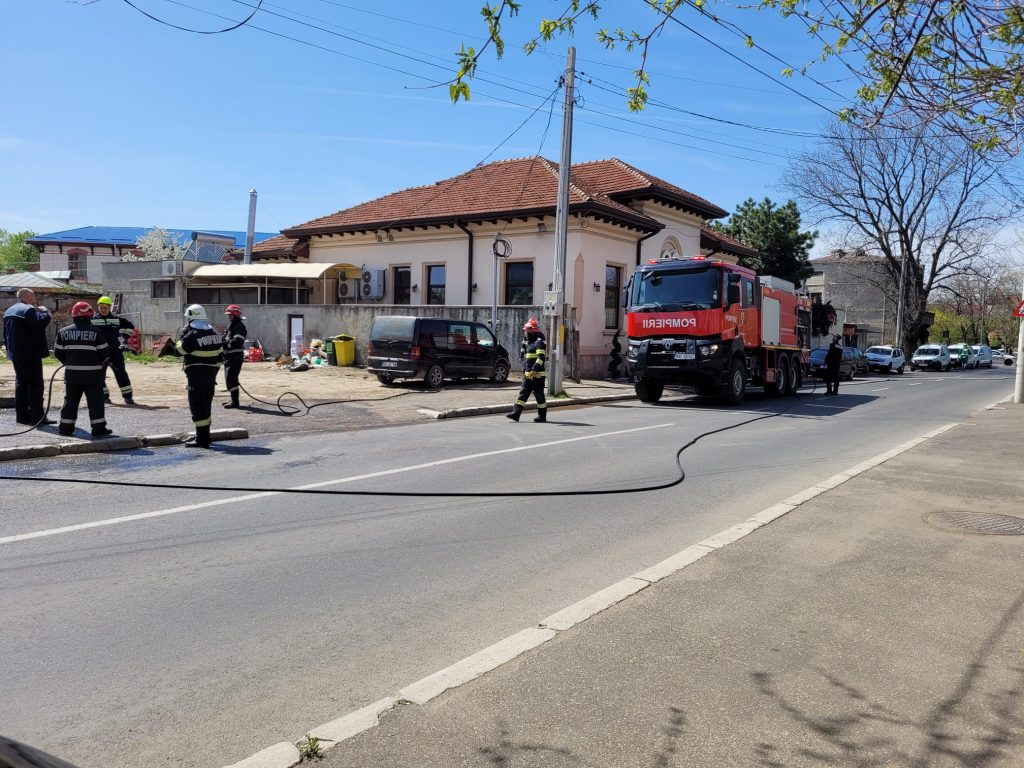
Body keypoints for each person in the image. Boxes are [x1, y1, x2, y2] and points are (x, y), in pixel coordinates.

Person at [53, 301, 111, 437]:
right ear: (88, 315)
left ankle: (65, 428)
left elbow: (58, 352)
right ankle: (98, 428)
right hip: (93, 374)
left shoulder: (63, 332)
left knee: (70, 401)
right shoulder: (96, 332)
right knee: (95, 401)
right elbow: (105, 353)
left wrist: (69, 362)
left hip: (72, 374)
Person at [2, 288, 54, 425]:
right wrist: (46, 312)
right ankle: (37, 417)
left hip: (15, 354)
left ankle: (22, 416)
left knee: (21, 385)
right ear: (28, 297)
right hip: (30, 354)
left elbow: (5, 334)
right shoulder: (27, 310)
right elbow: (40, 323)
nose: (35, 299)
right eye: (34, 296)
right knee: (35, 386)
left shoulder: (9, 311)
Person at [175, 304, 224, 448]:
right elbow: (220, 357)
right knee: (206, 405)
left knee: (197, 406)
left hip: (196, 377)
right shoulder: (215, 333)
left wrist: (181, 337)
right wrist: (213, 373)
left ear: (191, 318)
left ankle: (202, 440)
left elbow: (179, 351)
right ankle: (205, 436)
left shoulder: (192, 335)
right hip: (210, 376)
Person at [91, 295, 135, 404]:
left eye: (105, 308)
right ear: (98, 307)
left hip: (115, 352)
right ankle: (104, 397)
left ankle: (128, 397)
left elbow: (131, 327)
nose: (103, 310)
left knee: (121, 374)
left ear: (109, 307)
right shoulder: (92, 320)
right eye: (101, 308)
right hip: (99, 353)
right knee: (99, 375)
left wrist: (122, 338)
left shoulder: (117, 319)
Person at [506, 317, 548, 423]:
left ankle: (542, 416)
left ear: (533, 332)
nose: (526, 333)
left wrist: (534, 370)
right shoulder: (529, 342)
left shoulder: (538, 342)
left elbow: (541, 358)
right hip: (528, 374)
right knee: (523, 393)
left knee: (539, 396)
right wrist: (525, 370)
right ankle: (516, 413)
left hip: (537, 375)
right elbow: (527, 358)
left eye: (527, 332)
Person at [221, 304, 247, 409]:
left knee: (231, 378)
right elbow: (226, 337)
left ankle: (235, 402)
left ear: (236, 314)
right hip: (229, 356)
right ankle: (233, 399)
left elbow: (238, 341)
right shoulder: (231, 325)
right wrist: (221, 340)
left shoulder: (239, 326)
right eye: (228, 315)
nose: (228, 316)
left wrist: (225, 344)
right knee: (230, 378)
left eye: (230, 314)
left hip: (235, 356)